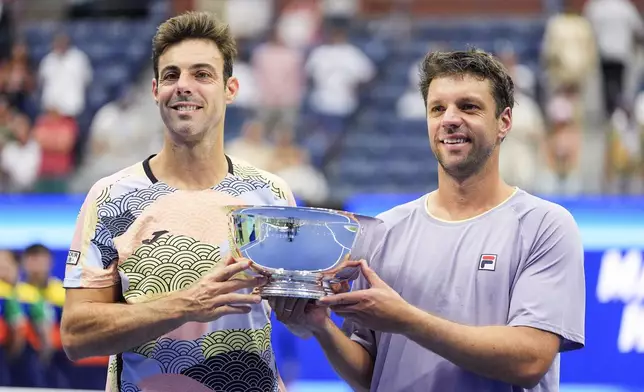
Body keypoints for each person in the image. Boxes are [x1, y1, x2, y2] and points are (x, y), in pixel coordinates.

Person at [271, 49, 586, 392]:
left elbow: (530, 360)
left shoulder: (544, 225)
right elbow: (371, 374)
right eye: (437, 108)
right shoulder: (385, 230)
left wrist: (407, 320)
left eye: (468, 106)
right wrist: (322, 327)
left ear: (504, 122)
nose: (449, 119)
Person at [60, 11, 295, 392]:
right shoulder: (111, 197)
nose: (184, 86)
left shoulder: (273, 194)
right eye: (171, 75)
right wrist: (185, 305)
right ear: (155, 90)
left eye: (202, 74)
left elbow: (295, 318)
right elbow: (75, 335)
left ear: (230, 89)